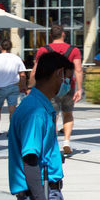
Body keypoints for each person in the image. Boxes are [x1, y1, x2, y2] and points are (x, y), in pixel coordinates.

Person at [8, 48, 80, 200]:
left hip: (36, 195)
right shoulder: (36, 112)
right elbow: (30, 160)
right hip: (42, 194)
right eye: (67, 78)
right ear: (58, 74)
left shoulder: (37, 106)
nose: (67, 84)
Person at [30, 25, 83, 157]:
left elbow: (35, 70)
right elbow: (78, 70)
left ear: (51, 35)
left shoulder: (43, 50)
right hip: (67, 87)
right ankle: (66, 142)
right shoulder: (73, 50)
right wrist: (79, 89)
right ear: (63, 34)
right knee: (68, 114)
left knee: (52, 115)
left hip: (49, 88)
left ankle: (52, 144)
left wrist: (31, 87)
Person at [0, 38, 28, 135]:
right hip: (13, 87)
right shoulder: (17, 58)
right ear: (10, 47)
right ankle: (12, 130)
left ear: (0, 47)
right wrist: (23, 87)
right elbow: (22, 74)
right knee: (12, 108)